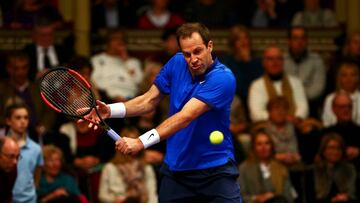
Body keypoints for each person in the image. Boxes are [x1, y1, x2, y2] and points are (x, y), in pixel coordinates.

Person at [84, 22, 242, 202]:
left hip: (216, 171)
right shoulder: (176, 63)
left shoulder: (223, 78)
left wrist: (140, 142)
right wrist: (110, 110)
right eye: (187, 54)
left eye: (198, 51)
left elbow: (185, 117)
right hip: (176, 172)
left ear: (210, 46)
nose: (193, 59)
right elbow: (148, 100)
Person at [248, 45, 308, 123]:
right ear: (264, 63)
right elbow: (256, 114)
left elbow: (303, 108)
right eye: (270, 59)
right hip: (267, 127)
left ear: (283, 62)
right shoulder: (256, 85)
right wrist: (281, 118)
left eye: (278, 59)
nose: (275, 62)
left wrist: (293, 119)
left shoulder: (296, 82)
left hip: (294, 124)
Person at [98, 127, 158, 203]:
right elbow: (102, 195)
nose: (131, 146)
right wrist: (117, 200)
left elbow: (152, 197)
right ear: (120, 144)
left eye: (134, 142)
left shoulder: (146, 167)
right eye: (128, 143)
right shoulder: (110, 167)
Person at [239, 131, 295, 203]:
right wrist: (257, 198)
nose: (263, 147)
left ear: (271, 146)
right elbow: (240, 196)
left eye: (267, 143)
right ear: (253, 147)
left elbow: (288, 195)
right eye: (259, 144)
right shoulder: (244, 168)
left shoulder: (280, 167)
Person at [5, 102, 44, 203]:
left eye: (26, 118)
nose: (23, 121)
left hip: (29, 200)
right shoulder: (2, 147)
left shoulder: (36, 149)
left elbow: (37, 176)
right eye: (18, 118)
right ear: (8, 121)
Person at [284, 26, 326, 117]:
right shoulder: (281, 60)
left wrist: (297, 97)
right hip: (285, 106)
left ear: (307, 41)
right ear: (289, 42)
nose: (299, 42)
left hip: (311, 105)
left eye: (303, 38)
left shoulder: (317, 60)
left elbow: (318, 89)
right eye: (295, 38)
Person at [0, 137, 20, 203]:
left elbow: (7, 195)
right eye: (11, 156)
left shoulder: (13, 169)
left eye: (17, 157)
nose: (15, 162)